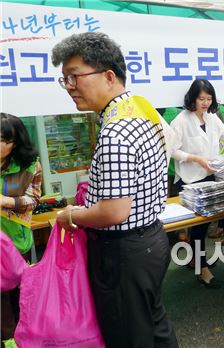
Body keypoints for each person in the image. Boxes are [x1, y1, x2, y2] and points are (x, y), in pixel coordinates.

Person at [52, 32, 179, 347]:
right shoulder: (139, 109)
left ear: (109, 76)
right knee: (153, 324)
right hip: (149, 239)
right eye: (64, 79)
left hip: (123, 253)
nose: (69, 86)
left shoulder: (115, 131)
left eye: (75, 77)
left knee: (128, 334)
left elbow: (113, 211)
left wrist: (72, 215)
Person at [171, 79, 224, 288]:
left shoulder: (211, 117)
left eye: (209, 99)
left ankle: (196, 261)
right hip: (191, 181)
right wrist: (196, 158)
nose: (206, 103)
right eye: (202, 98)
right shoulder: (182, 120)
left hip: (211, 177)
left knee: (205, 223)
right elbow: (173, 150)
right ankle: (202, 269)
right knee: (199, 228)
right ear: (192, 98)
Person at [0, 113, 42, 344]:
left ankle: (23, 337)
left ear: (15, 142)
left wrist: (5, 201)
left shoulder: (27, 165)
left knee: (20, 294)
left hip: (15, 242)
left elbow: (33, 200)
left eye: (2, 140)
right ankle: (8, 340)